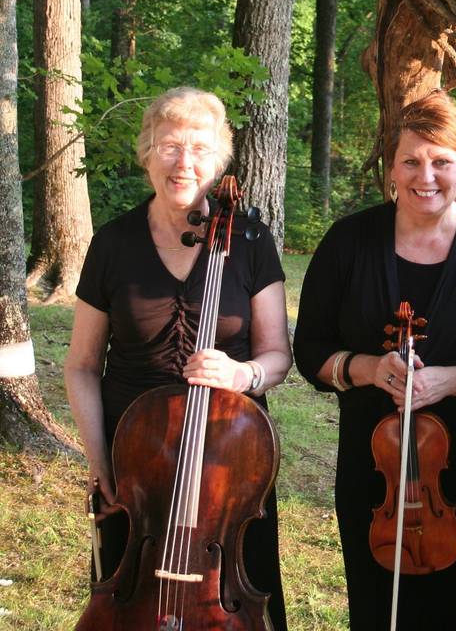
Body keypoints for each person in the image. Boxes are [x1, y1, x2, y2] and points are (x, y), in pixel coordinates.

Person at [293, 90, 456, 630]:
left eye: (442, 161)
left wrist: (449, 380)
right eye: (412, 161)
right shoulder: (348, 243)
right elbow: (310, 351)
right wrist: (367, 369)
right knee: (379, 611)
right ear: (392, 168)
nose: (427, 175)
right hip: (376, 472)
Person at [64, 87, 291, 629]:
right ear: (147, 153)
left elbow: (277, 355)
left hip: (230, 467)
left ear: (220, 159)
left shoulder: (251, 239)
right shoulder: (113, 244)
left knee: (235, 594)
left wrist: (243, 374)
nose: (183, 162)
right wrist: (101, 463)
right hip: (135, 463)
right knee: (131, 595)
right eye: (168, 146)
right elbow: (80, 364)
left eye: (199, 148)